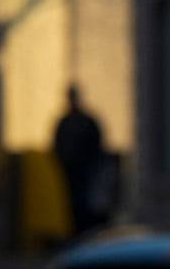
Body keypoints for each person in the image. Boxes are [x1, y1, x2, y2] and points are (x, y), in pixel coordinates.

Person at [53, 85, 103, 235]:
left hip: (85, 169)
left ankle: (84, 231)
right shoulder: (67, 121)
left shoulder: (83, 121)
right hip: (71, 169)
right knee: (73, 203)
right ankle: (77, 231)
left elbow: (96, 143)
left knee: (85, 202)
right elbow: (57, 145)